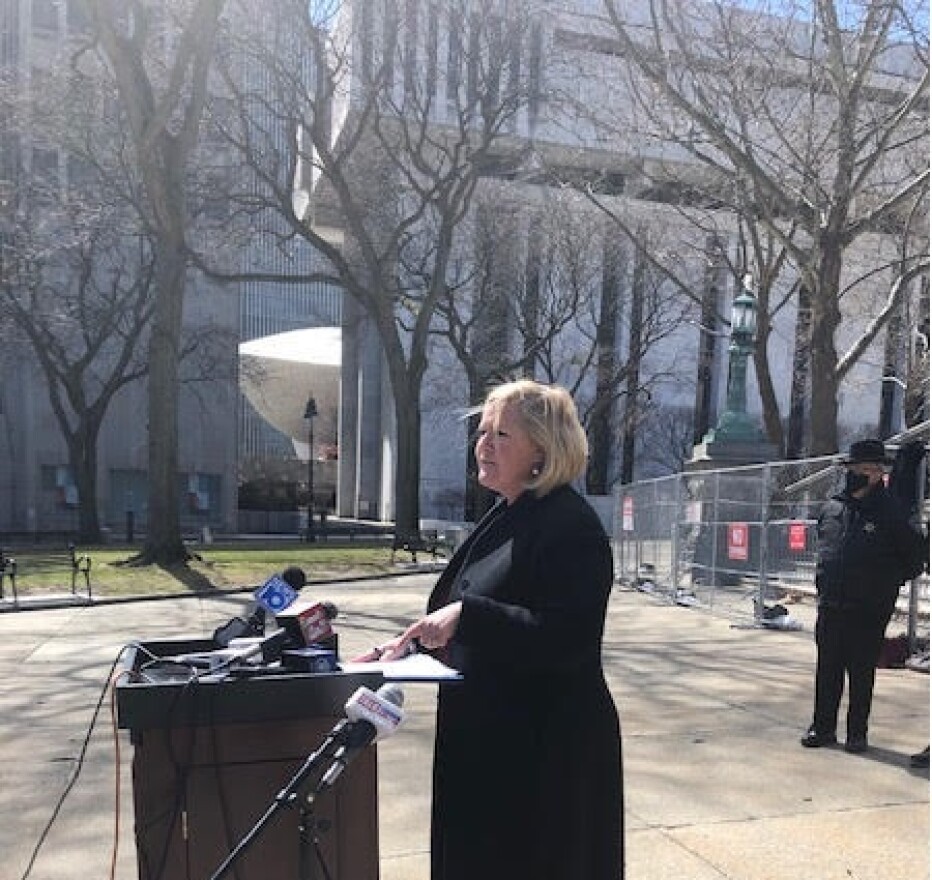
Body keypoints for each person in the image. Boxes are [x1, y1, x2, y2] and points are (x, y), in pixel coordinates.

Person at [366, 380, 623, 880]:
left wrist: (467, 618)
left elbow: (566, 638)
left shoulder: (570, 526)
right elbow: (469, 606)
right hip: (489, 746)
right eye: (483, 431)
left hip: (545, 758)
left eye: (502, 434)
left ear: (543, 450)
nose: (483, 445)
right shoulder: (509, 511)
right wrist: (413, 645)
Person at [801, 439, 927, 754]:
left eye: (873, 470)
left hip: (869, 607)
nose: (867, 475)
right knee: (828, 669)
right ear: (850, 470)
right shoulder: (833, 507)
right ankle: (822, 727)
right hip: (832, 602)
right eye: (862, 469)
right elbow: (824, 546)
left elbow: (914, 557)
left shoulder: (890, 510)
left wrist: (884, 583)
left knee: (861, 672)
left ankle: (857, 732)